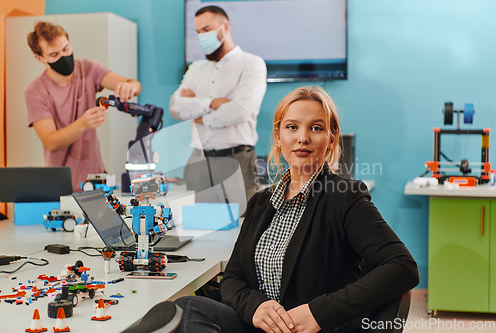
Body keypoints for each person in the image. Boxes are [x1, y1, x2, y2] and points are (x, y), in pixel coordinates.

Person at [173, 86, 419, 333]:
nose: (303, 137)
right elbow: (234, 278)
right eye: (292, 127)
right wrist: (255, 307)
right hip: (259, 327)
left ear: (331, 139)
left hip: (314, 329)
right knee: (187, 308)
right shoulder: (260, 202)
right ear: (279, 136)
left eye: (316, 128)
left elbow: (402, 266)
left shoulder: (344, 196)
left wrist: (319, 313)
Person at [25, 21, 142, 192]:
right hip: (62, 184)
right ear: (39, 58)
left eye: (66, 49)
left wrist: (130, 87)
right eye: (54, 54)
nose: (63, 57)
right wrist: (83, 123)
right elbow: (51, 142)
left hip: (97, 178)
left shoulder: (88, 69)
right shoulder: (36, 91)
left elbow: (134, 85)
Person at [169, 5, 267, 210]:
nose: (202, 36)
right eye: (198, 32)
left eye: (206, 29)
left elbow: (239, 111)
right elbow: (176, 107)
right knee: (204, 229)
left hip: (237, 160)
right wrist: (212, 103)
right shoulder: (196, 68)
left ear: (225, 27)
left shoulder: (251, 64)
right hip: (199, 161)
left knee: (244, 224)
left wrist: (198, 114)